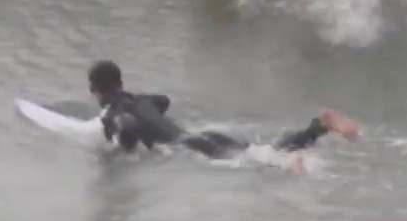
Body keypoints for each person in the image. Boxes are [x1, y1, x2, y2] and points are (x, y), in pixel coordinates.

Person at [86, 59, 361, 174]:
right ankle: (319, 126)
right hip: (200, 136)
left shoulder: (115, 112)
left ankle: (289, 164)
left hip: (186, 148)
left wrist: (117, 152)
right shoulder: (140, 99)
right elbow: (163, 101)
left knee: (252, 166)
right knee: (258, 152)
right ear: (121, 81)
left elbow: (126, 125)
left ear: (94, 90)